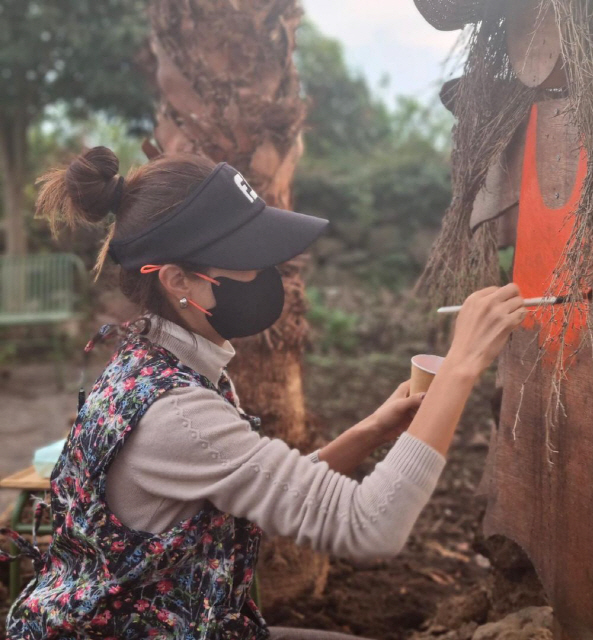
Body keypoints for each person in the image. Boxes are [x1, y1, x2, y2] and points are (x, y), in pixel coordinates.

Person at [2, 147, 525, 639]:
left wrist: (375, 428)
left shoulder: (157, 367)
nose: (268, 274)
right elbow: (370, 527)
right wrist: (462, 366)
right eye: (247, 257)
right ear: (179, 280)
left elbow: (260, 493)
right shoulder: (178, 414)